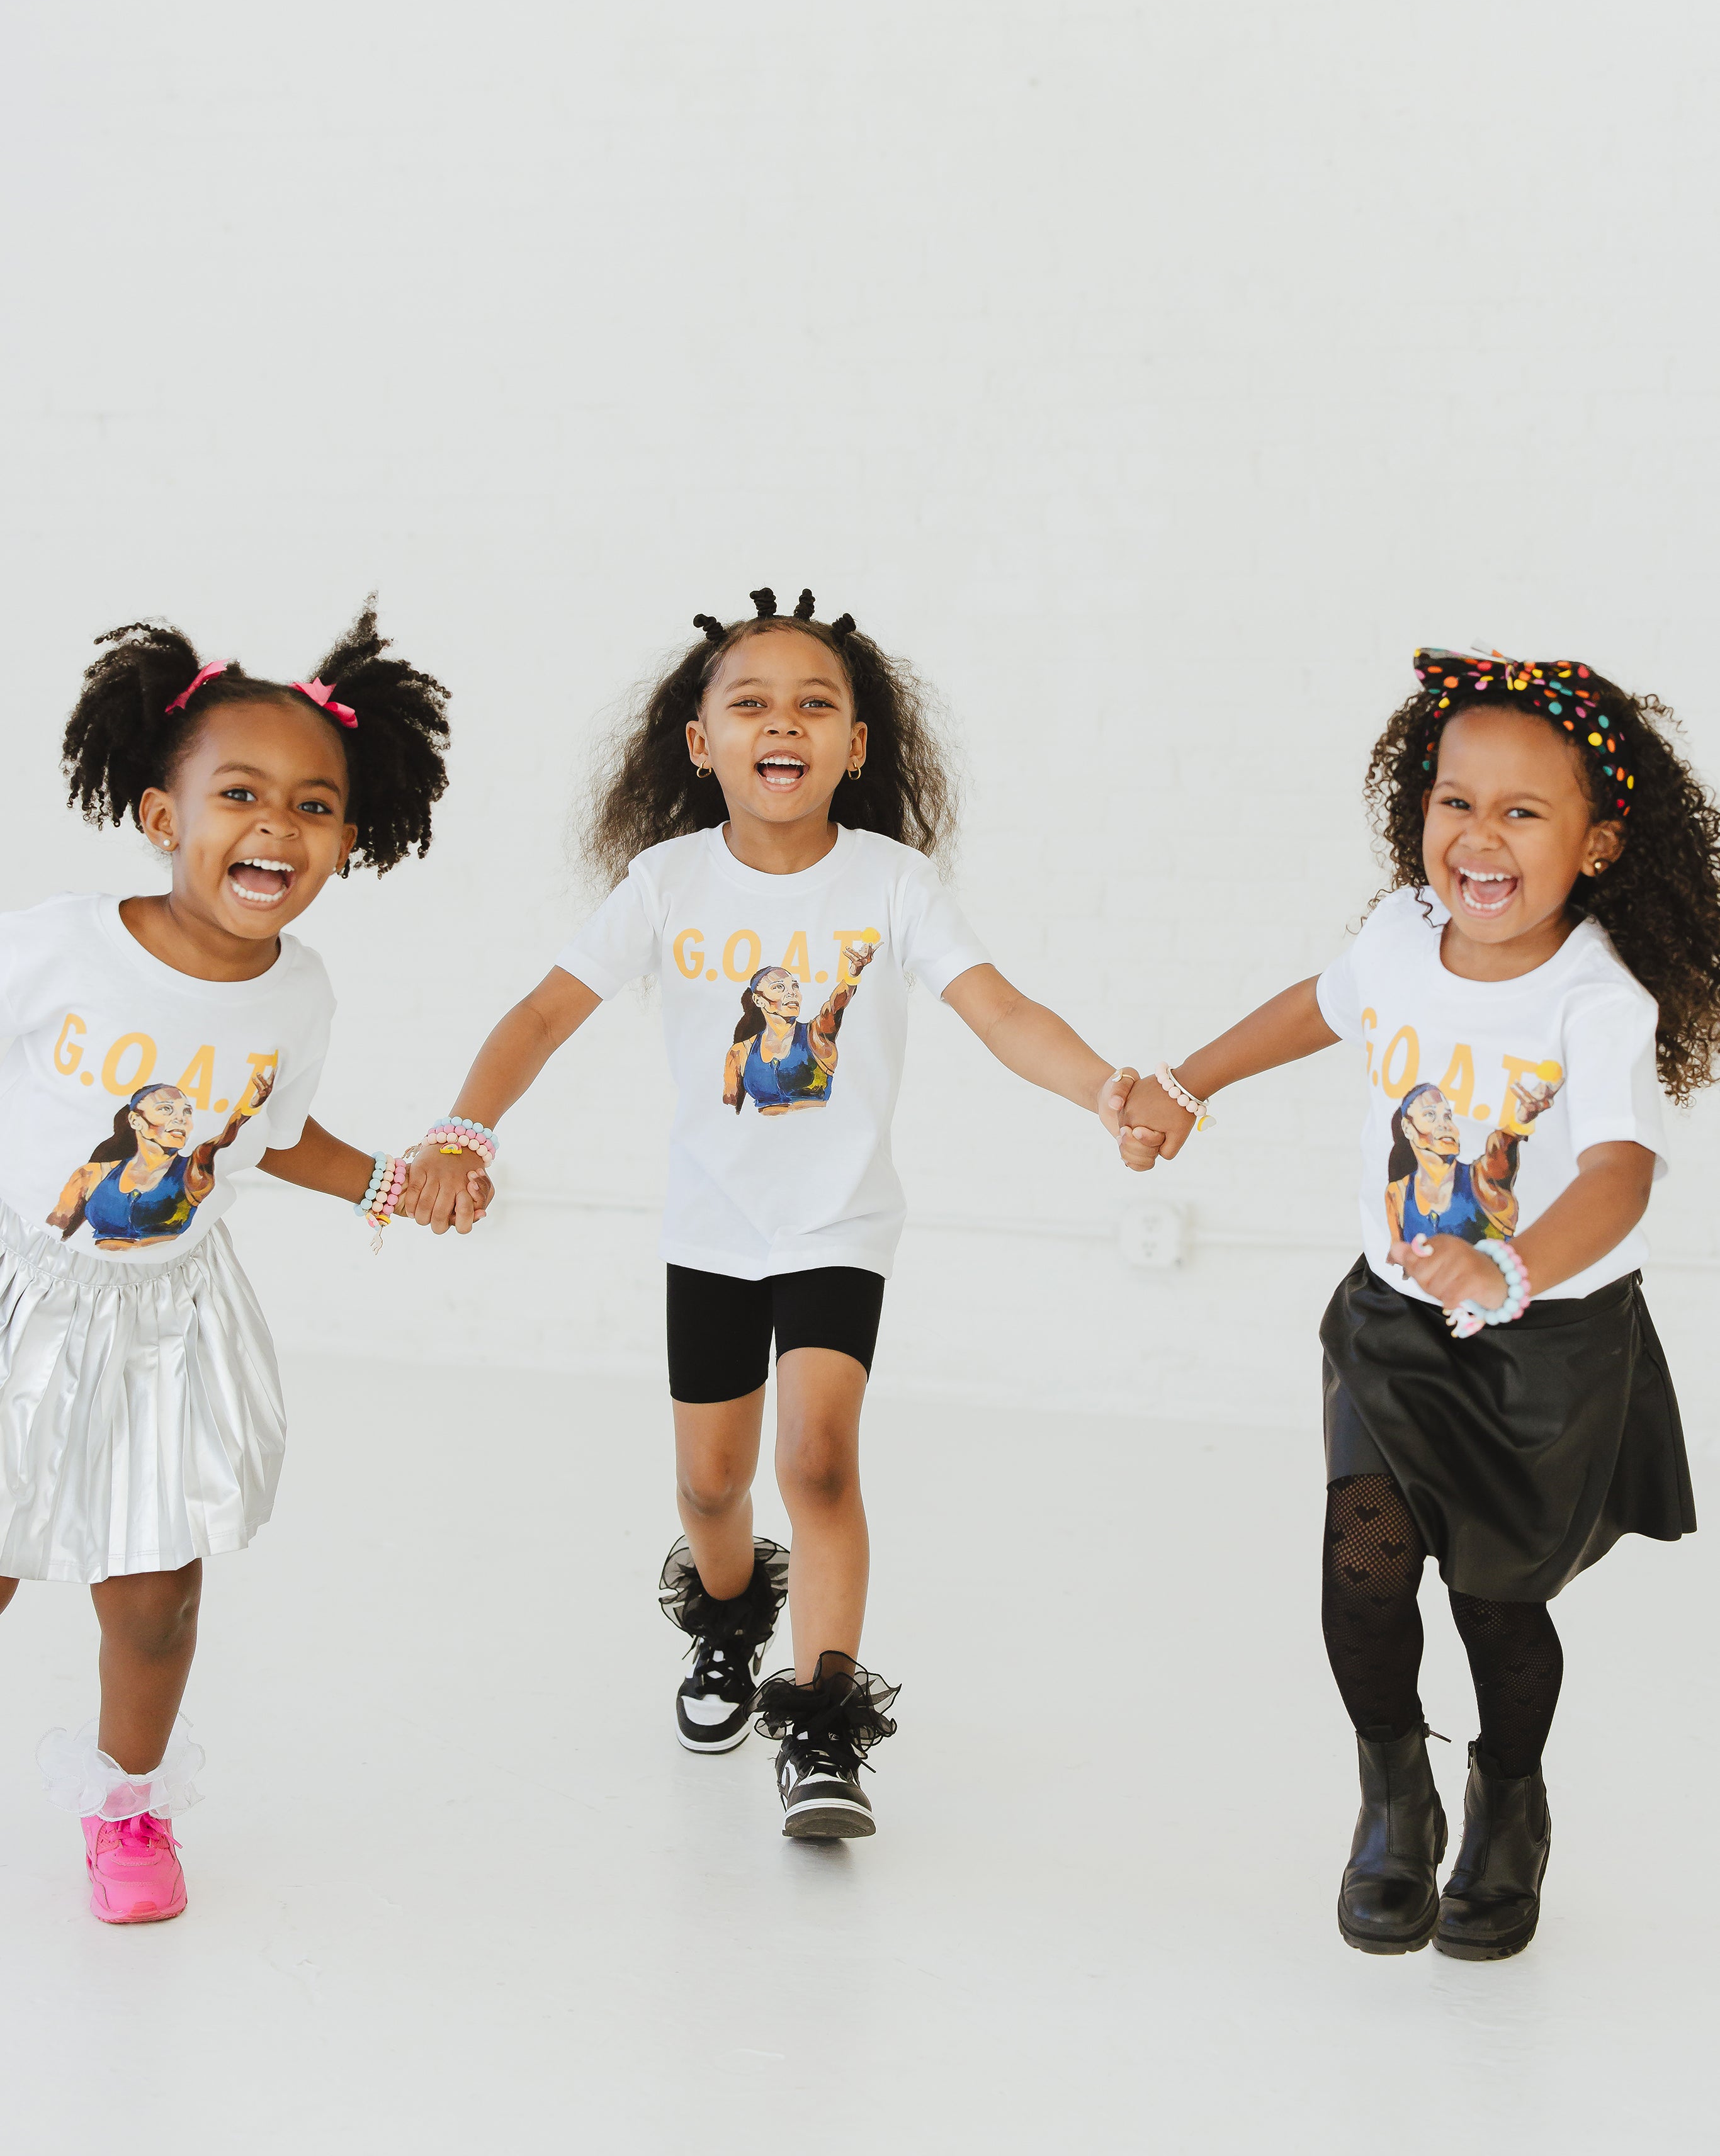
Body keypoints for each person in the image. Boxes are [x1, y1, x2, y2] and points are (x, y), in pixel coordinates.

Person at [400, 587, 1158, 1841]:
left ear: (856, 746)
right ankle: (728, 1620)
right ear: (699, 743)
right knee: (711, 1491)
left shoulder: (892, 883)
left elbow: (1002, 1010)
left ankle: (817, 1726)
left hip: (839, 1223)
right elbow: (540, 1014)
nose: (782, 721)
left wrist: (1105, 1087)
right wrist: (464, 1126)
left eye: (816, 702)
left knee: (815, 1456)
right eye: (748, 701)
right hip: (709, 1226)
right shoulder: (665, 881)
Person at [1119, 650, 1709, 1960]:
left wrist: (1509, 1265)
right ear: (1418, 809)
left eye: (1521, 811)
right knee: (1363, 1567)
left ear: (1598, 841)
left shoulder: (1592, 999)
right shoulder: (1397, 933)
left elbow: (1618, 1175)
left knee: (1498, 1599)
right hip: (1389, 1323)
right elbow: (1319, 1006)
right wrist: (1188, 1081)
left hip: (1543, 1346)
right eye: (1456, 801)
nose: (1478, 837)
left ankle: (1510, 1798)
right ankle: (1395, 1788)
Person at [0, 606, 470, 1924]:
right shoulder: (54, 947)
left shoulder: (296, 992)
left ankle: (129, 1803)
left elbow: (269, 1137)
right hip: (16, 1295)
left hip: (162, 1324)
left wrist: (387, 1178)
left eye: (314, 802)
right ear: (161, 812)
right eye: (241, 793)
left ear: (352, 837)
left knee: (154, 1592)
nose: (278, 824)